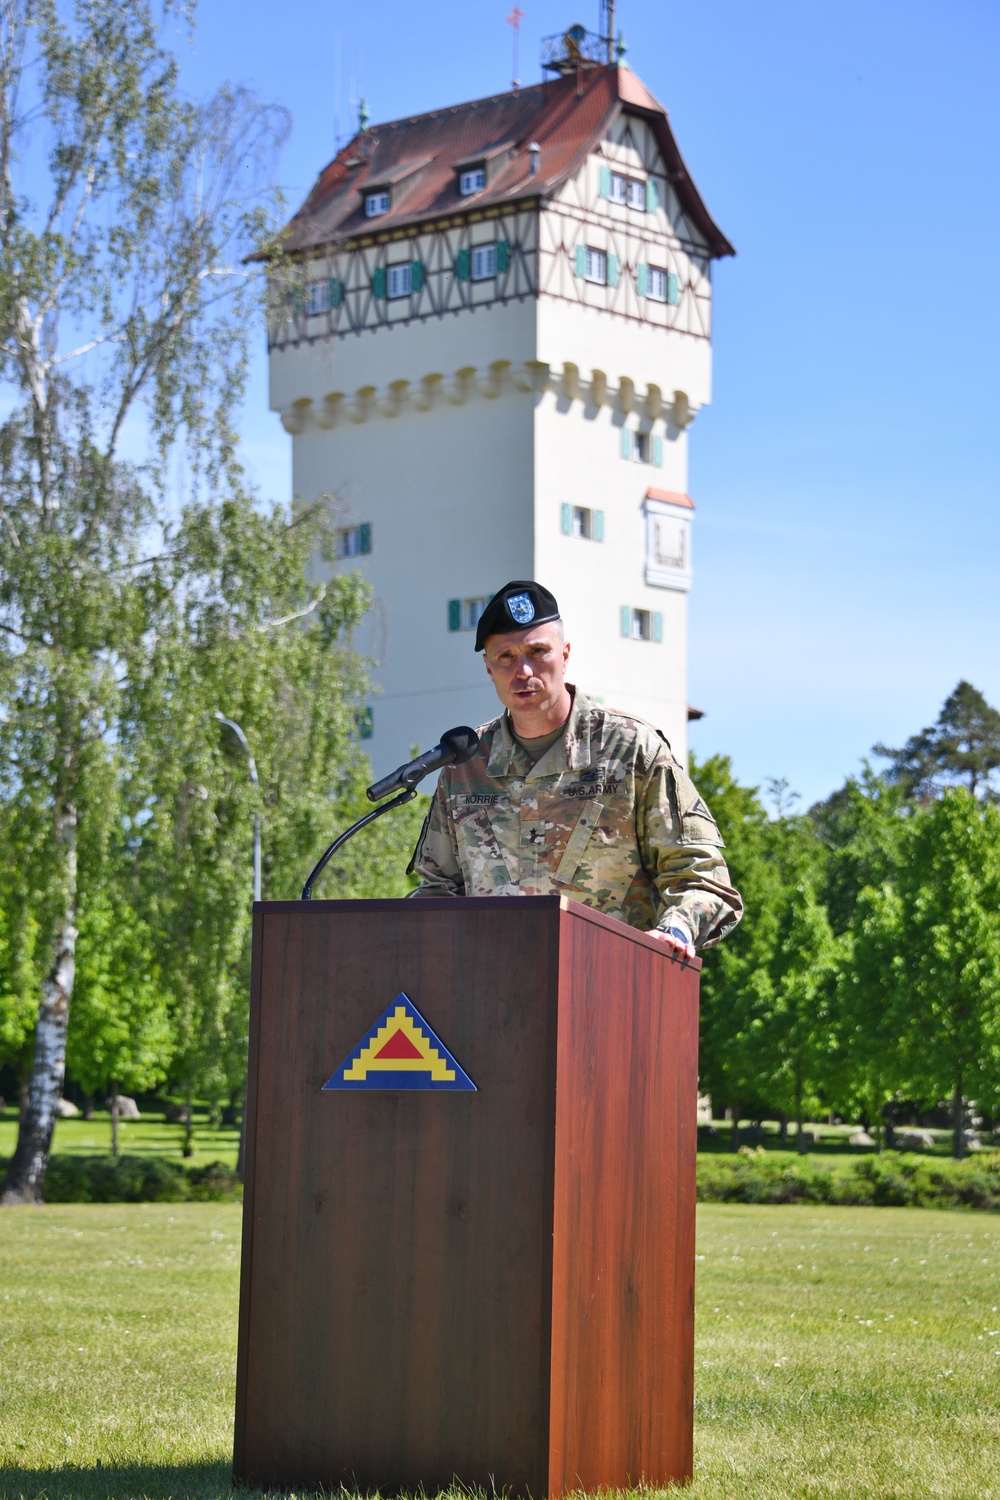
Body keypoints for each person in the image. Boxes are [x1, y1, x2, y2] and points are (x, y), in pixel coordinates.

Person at [408, 580, 742, 957]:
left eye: (538, 651)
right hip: (490, 992)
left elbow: (701, 879)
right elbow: (437, 889)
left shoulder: (631, 750)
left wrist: (675, 932)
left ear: (565, 655)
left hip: (608, 984)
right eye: (506, 657)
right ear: (488, 668)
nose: (524, 670)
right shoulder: (465, 763)